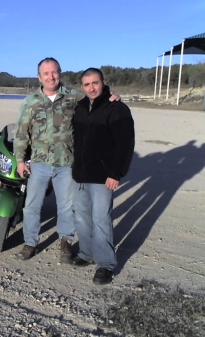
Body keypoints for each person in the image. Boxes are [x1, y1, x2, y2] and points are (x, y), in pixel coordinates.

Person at [13, 58, 119, 262]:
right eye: (46, 73)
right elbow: (21, 133)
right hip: (39, 162)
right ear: (39, 77)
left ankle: (65, 242)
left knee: (66, 206)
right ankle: (30, 243)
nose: (51, 76)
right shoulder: (30, 102)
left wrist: (112, 95)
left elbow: (96, 97)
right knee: (32, 206)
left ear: (59, 73)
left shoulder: (74, 96)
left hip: (66, 163)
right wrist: (19, 160)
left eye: (54, 72)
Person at [71, 68, 135, 285]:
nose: (91, 88)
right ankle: (86, 253)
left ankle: (105, 265)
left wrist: (115, 173)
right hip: (80, 173)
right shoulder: (79, 108)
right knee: (80, 216)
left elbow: (125, 144)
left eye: (95, 83)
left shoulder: (117, 108)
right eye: (87, 84)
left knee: (101, 220)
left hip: (103, 176)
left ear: (103, 82)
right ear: (82, 87)